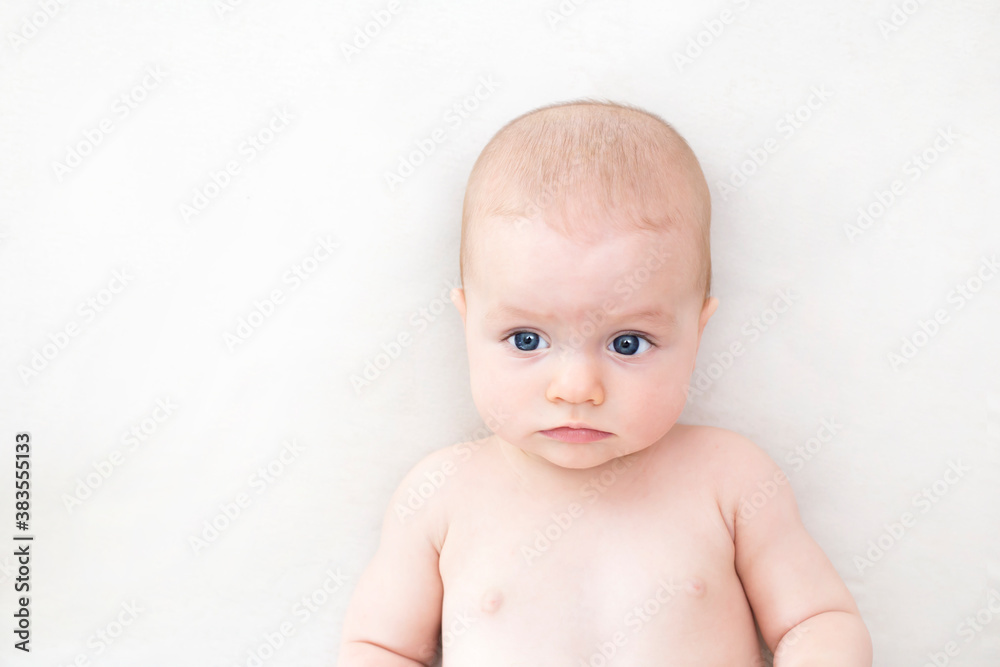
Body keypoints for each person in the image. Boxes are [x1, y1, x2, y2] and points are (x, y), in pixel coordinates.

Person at [338, 99, 872, 666]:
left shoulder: (731, 479)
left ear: (697, 333)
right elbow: (382, 645)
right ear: (468, 322)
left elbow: (816, 619)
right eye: (526, 340)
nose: (575, 388)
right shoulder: (440, 495)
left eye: (627, 344)